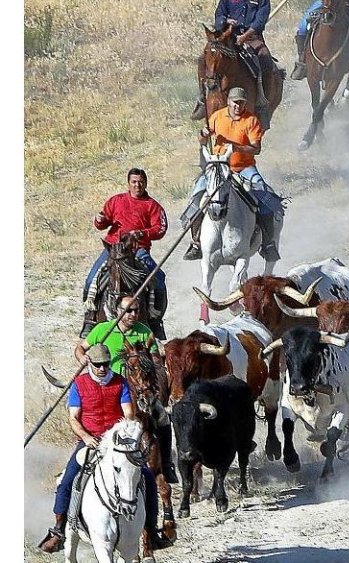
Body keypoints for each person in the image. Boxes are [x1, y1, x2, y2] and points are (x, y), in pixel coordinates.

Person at [38, 344, 168, 553]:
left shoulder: (120, 382)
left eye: (105, 364)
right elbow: (73, 418)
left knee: (148, 479)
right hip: (90, 440)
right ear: (89, 362)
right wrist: (86, 437)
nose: (102, 368)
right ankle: (59, 530)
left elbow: (128, 413)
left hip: (116, 441)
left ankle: (151, 532)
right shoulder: (79, 384)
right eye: (98, 364)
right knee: (67, 480)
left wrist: (129, 429)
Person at [76, 296, 178, 483]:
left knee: (163, 417)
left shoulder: (144, 332)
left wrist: (150, 366)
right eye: (128, 310)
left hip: (139, 390)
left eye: (136, 310)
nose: (133, 314)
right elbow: (80, 348)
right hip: (108, 387)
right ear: (117, 311)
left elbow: (157, 362)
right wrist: (82, 357)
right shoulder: (103, 330)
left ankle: (166, 463)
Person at [181, 87, 283, 261]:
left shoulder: (251, 120)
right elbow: (202, 140)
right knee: (196, 195)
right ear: (228, 101)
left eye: (241, 103)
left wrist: (236, 147)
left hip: (244, 167)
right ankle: (196, 242)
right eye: (235, 102)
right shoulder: (216, 117)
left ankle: (267, 243)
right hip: (218, 167)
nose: (237, 106)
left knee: (264, 194)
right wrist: (203, 134)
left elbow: (256, 148)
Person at [81, 168, 169, 339]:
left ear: (146, 183)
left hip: (138, 250)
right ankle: (89, 319)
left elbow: (160, 228)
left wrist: (142, 233)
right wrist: (99, 220)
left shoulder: (152, 205)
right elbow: (102, 222)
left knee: (159, 281)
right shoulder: (116, 200)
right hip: (114, 248)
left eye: (141, 182)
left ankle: (155, 322)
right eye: (134, 182)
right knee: (91, 279)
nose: (137, 185)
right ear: (128, 183)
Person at [213, 0, 275, 120]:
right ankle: (203, 99)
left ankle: (263, 103)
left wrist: (245, 36)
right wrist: (225, 21)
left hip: (252, 38)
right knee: (206, 58)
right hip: (228, 37)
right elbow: (219, 15)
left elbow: (260, 21)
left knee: (266, 61)